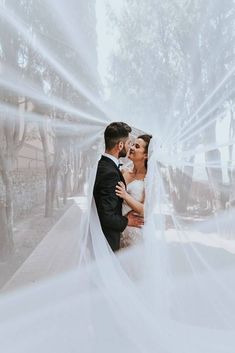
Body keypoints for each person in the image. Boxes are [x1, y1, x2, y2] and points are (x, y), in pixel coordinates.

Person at [93, 122, 144, 252]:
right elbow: (106, 216)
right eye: (129, 143)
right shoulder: (110, 173)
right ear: (120, 145)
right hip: (108, 239)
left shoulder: (103, 166)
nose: (130, 147)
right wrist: (127, 221)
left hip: (126, 236)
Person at [115, 134, 152, 248]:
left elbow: (146, 210)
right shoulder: (124, 172)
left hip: (135, 232)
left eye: (137, 146)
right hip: (118, 228)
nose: (131, 148)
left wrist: (125, 195)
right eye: (132, 144)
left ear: (146, 155)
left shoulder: (149, 179)